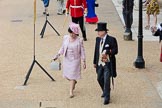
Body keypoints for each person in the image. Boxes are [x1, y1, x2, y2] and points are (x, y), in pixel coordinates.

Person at [53, 22, 86, 98]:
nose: (72, 34)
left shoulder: (79, 40)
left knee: (72, 76)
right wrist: (57, 55)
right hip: (67, 59)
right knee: (67, 75)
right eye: (70, 33)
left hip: (75, 60)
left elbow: (82, 51)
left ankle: (71, 91)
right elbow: (62, 48)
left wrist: (84, 61)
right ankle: (74, 81)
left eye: (73, 33)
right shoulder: (65, 38)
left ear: (76, 33)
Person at [93, 22, 118, 105]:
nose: (98, 33)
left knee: (107, 80)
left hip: (108, 63)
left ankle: (107, 97)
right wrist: (94, 62)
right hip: (100, 63)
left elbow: (115, 51)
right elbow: (96, 51)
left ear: (104, 31)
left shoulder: (111, 39)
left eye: (99, 31)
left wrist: (108, 52)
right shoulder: (98, 39)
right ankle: (105, 90)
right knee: (99, 78)